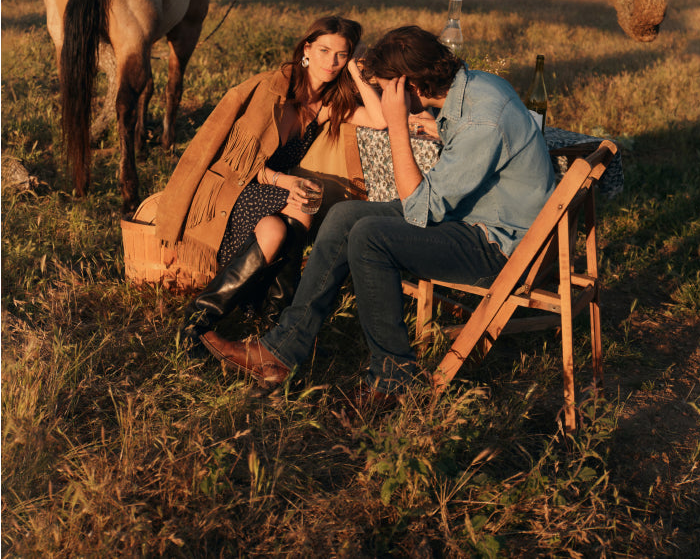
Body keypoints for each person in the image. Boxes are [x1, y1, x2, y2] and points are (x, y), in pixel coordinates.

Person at [201, 24, 556, 402]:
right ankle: (281, 351)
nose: (385, 95)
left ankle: (394, 377)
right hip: (477, 218)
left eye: (387, 87)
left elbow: (421, 206)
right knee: (345, 216)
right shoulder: (476, 85)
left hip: (500, 247)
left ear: (411, 86)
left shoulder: (480, 119)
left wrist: (399, 125)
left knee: (371, 237)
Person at [146, 14, 385, 348]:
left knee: (282, 224)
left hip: (276, 194)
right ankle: (205, 324)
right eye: (323, 50)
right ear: (307, 49)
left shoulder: (327, 105)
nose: (331, 62)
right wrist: (282, 181)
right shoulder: (273, 91)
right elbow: (238, 163)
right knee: (299, 207)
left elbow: (380, 118)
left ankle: (261, 321)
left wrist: (356, 74)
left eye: (341, 55)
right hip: (237, 190)